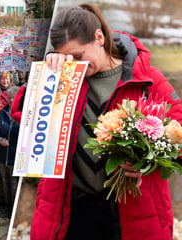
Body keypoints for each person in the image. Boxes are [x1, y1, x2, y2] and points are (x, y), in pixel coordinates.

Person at [16, 4, 182, 240]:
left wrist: (148, 164)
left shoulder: (147, 79)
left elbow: (179, 136)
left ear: (99, 38)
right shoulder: (62, 81)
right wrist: (46, 77)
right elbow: (23, 119)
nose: (77, 66)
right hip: (75, 211)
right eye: (68, 58)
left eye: (79, 56)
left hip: (133, 211)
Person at [0, 86, 20, 213]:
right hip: (2, 155)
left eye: (14, 97)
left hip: (15, 157)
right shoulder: (2, 113)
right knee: (4, 180)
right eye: (9, 97)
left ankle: (13, 209)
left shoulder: (24, 115)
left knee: (14, 184)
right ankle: (6, 202)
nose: (11, 100)